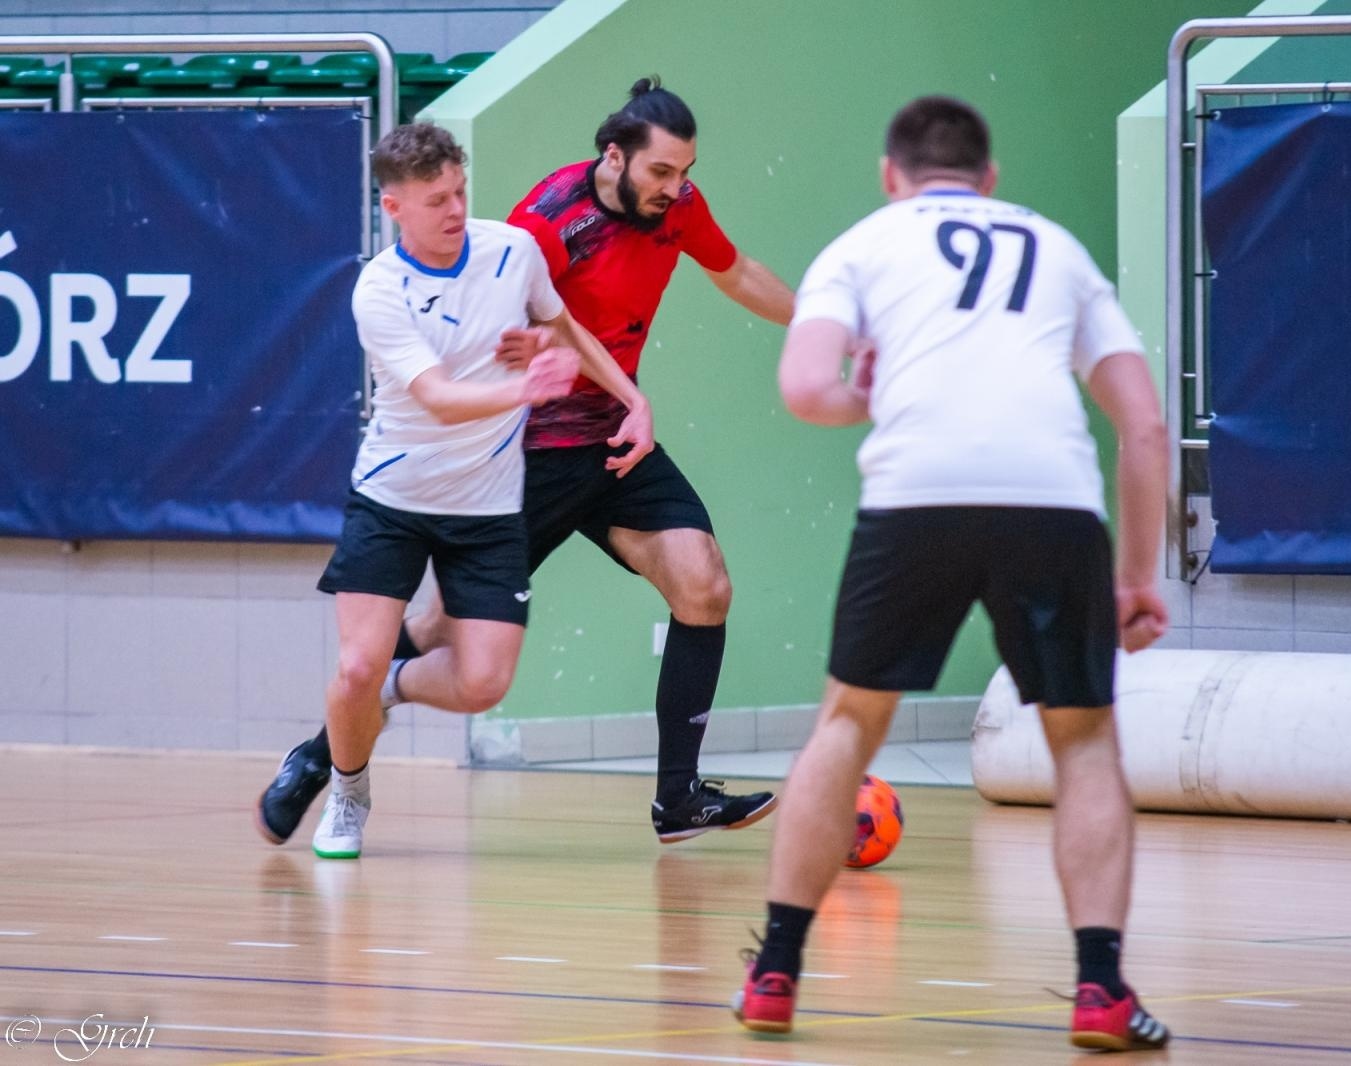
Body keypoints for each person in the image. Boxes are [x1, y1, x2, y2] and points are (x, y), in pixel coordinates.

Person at [730, 96, 1173, 1052]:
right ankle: (1100, 989)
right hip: (1050, 498)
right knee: (1085, 744)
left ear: (892, 175)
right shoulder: (1057, 249)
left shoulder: (861, 246)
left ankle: (776, 973)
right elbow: (1144, 427)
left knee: (846, 725)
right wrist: (1137, 575)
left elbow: (807, 388)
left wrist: (869, 396)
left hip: (916, 494)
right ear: (991, 178)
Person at [257, 78, 794, 848]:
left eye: (686, 173)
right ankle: (320, 754)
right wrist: (528, 355)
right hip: (527, 454)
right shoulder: (545, 222)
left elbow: (734, 269)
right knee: (442, 628)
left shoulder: (678, 209)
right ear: (615, 156)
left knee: (703, 583)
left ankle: (677, 800)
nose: (677, 190)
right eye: (662, 174)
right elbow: (500, 328)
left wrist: (817, 326)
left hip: (613, 440)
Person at [259, 121, 634, 859]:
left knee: (482, 684)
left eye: (461, 190)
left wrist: (604, 383)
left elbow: (563, 330)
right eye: (437, 200)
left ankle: (390, 690)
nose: (457, 209)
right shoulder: (379, 290)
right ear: (394, 208)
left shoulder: (512, 252)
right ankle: (348, 791)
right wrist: (526, 387)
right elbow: (437, 397)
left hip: (488, 505)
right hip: (393, 500)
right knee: (354, 667)